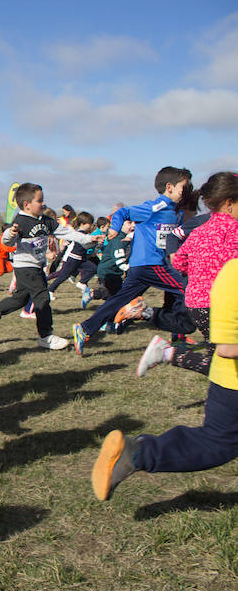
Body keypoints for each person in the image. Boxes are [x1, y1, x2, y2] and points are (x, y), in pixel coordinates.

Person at [92, 257, 238, 501]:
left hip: (225, 376)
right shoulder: (232, 274)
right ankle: (138, 453)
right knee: (217, 444)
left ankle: (139, 452)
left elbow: (179, 259)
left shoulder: (231, 269)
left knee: (216, 442)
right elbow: (227, 347)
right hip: (231, 380)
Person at [73, 167, 197, 356]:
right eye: (184, 187)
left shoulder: (176, 212)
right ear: (170, 187)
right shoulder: (154, 207)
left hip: (143, 267)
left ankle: (85, 328)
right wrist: (114, 228)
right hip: (150, 264)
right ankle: (176, 330)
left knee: (118, 301)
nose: (186, 192)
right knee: (186, 288)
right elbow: (122, 213)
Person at [136, 172, 238, 377]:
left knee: (219, 361)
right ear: (229, 203)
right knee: (224, 364)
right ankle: (167, 352)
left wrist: (199, 271)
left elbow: (180, 261)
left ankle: (167, 353)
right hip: (220, 304)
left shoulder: (201, 229)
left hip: (196, 304)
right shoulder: (233, 229)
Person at [0, 183, 96, 350]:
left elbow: (66, 232)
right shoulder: (21, 221)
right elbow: (7, 240)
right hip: (25, 268)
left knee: (20, 299)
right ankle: (46, 336)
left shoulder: (46, 220)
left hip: (37, 267)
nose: (43, 203)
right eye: (39, 200)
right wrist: (9, 234)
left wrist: (87, 239)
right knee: (42, 298)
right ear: (27, 204)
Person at [46, 211, 98, 296]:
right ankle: (50, 290)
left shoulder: (82, 234)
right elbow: (85, 245)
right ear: (82, 224)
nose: (91, 226)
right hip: (73, 259)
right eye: (89, 224)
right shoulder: (80, 234)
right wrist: (95, 242)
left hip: (81, 259)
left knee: (93, 268)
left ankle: (82, 283)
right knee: (63, 276)